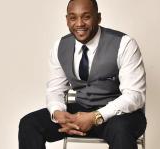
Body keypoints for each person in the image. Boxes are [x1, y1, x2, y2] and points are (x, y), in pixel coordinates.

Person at [18, 0, 147, 148]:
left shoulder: (124, 44)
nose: (79, 23)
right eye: (73, 18)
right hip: (80, 112)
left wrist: (95, 117)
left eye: (86, 17)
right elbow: (55, 89)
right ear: (67, 20)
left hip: (119, 115)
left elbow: (135, 95)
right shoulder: (60, 47)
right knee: (29, 124)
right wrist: (58, 113)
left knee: (121, 129)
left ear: (98, 18)